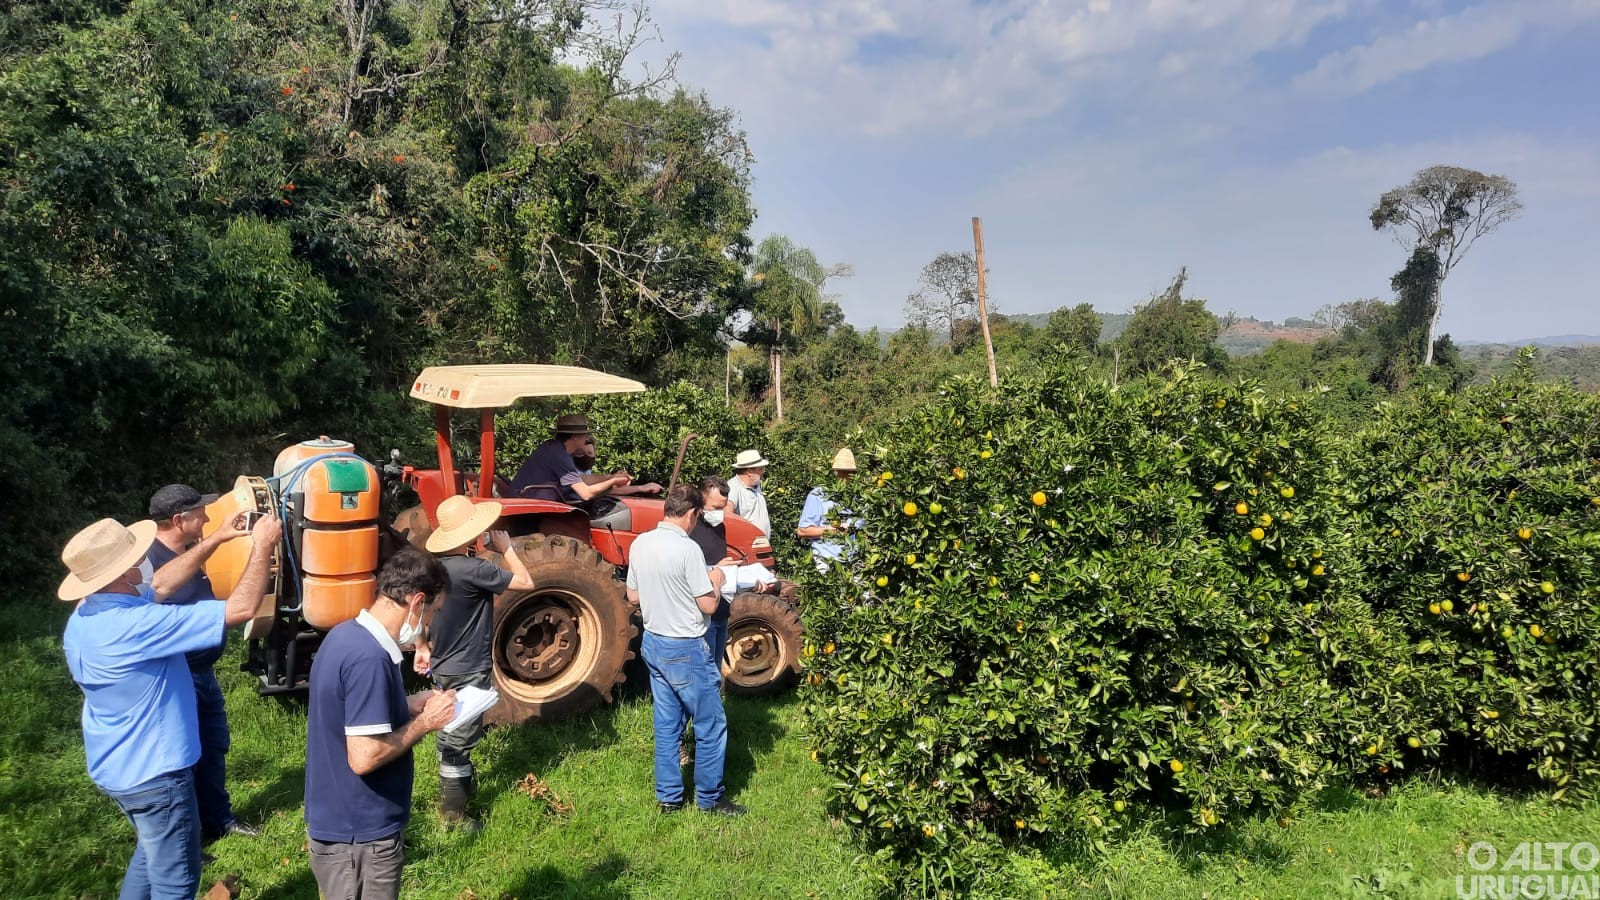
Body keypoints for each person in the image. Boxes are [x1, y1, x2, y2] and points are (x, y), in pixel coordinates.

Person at [61, 512, 280, 899]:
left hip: (118, 766)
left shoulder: (90, 611)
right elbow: (241, 608)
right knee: (175, 881)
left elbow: (160, 584)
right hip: (156, 775)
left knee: (150, 854)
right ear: (127, 571)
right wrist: (263, 544)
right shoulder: (138, 625)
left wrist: (215, 539)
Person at [304, 548, 458, 900]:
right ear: (417, 601)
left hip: (341, 822)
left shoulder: (346, 636)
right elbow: (364, 756)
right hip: (359, 838)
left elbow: (349, 711)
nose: (430, 623)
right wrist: (425, 724)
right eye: (433, 611)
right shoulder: (369, 659)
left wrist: (407, 705)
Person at [145, 484, 261, 844]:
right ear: (179, 520)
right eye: (199, 514)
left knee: (213, 746)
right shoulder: (149, 559)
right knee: (181, 760)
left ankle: (217, 820)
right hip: (175, 676)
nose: (207, 518)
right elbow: (158, 589)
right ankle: (186, 838)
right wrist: (217, 539)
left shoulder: (191, 548)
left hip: (203, 672)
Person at [626, 484, 744, 816]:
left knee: (666, 726)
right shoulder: (688, 549)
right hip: (686, 646)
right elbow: (707, 604)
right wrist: (717, 581)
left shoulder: (640, 543)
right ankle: (709, 797)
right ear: (692, 514)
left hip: (653, 642)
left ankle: (669, 798)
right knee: (710, 722)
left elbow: (633, 596)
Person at [417, 495, 533, 829]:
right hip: (470, 666)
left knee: (448, 727)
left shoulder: (433, 569)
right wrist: (506, 548)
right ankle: (454, 816)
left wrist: (422, 647)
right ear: (471, 533)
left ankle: (451, 790)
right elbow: (526, 582)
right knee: (460, 741)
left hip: (442, 664)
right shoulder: (475, 569)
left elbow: (420, 617)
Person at [508, 414, 657, 503]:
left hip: (529, 499)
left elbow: (581, 480)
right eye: (584, 435)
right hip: (531, 504)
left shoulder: (555, 450)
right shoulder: (558, 455)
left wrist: (613, 477)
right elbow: (586, 494)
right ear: (575, 436)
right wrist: (613, 481)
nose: (586, 439)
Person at [796, 448, 859, 573]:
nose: (845, 477)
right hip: (827, 560)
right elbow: (803, 530)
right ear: (834, 473)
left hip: (856, 560)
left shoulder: (859, 496)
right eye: (842, 472)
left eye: (849, 473)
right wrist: (832, 531)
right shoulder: (818, 495)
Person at [726, 449, 772, 537]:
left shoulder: (755, 484)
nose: (763, 472)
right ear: (750, 472)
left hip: (761, 546)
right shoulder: (733, 488)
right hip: (746, 546)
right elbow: (727, 515)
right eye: (760, 469)